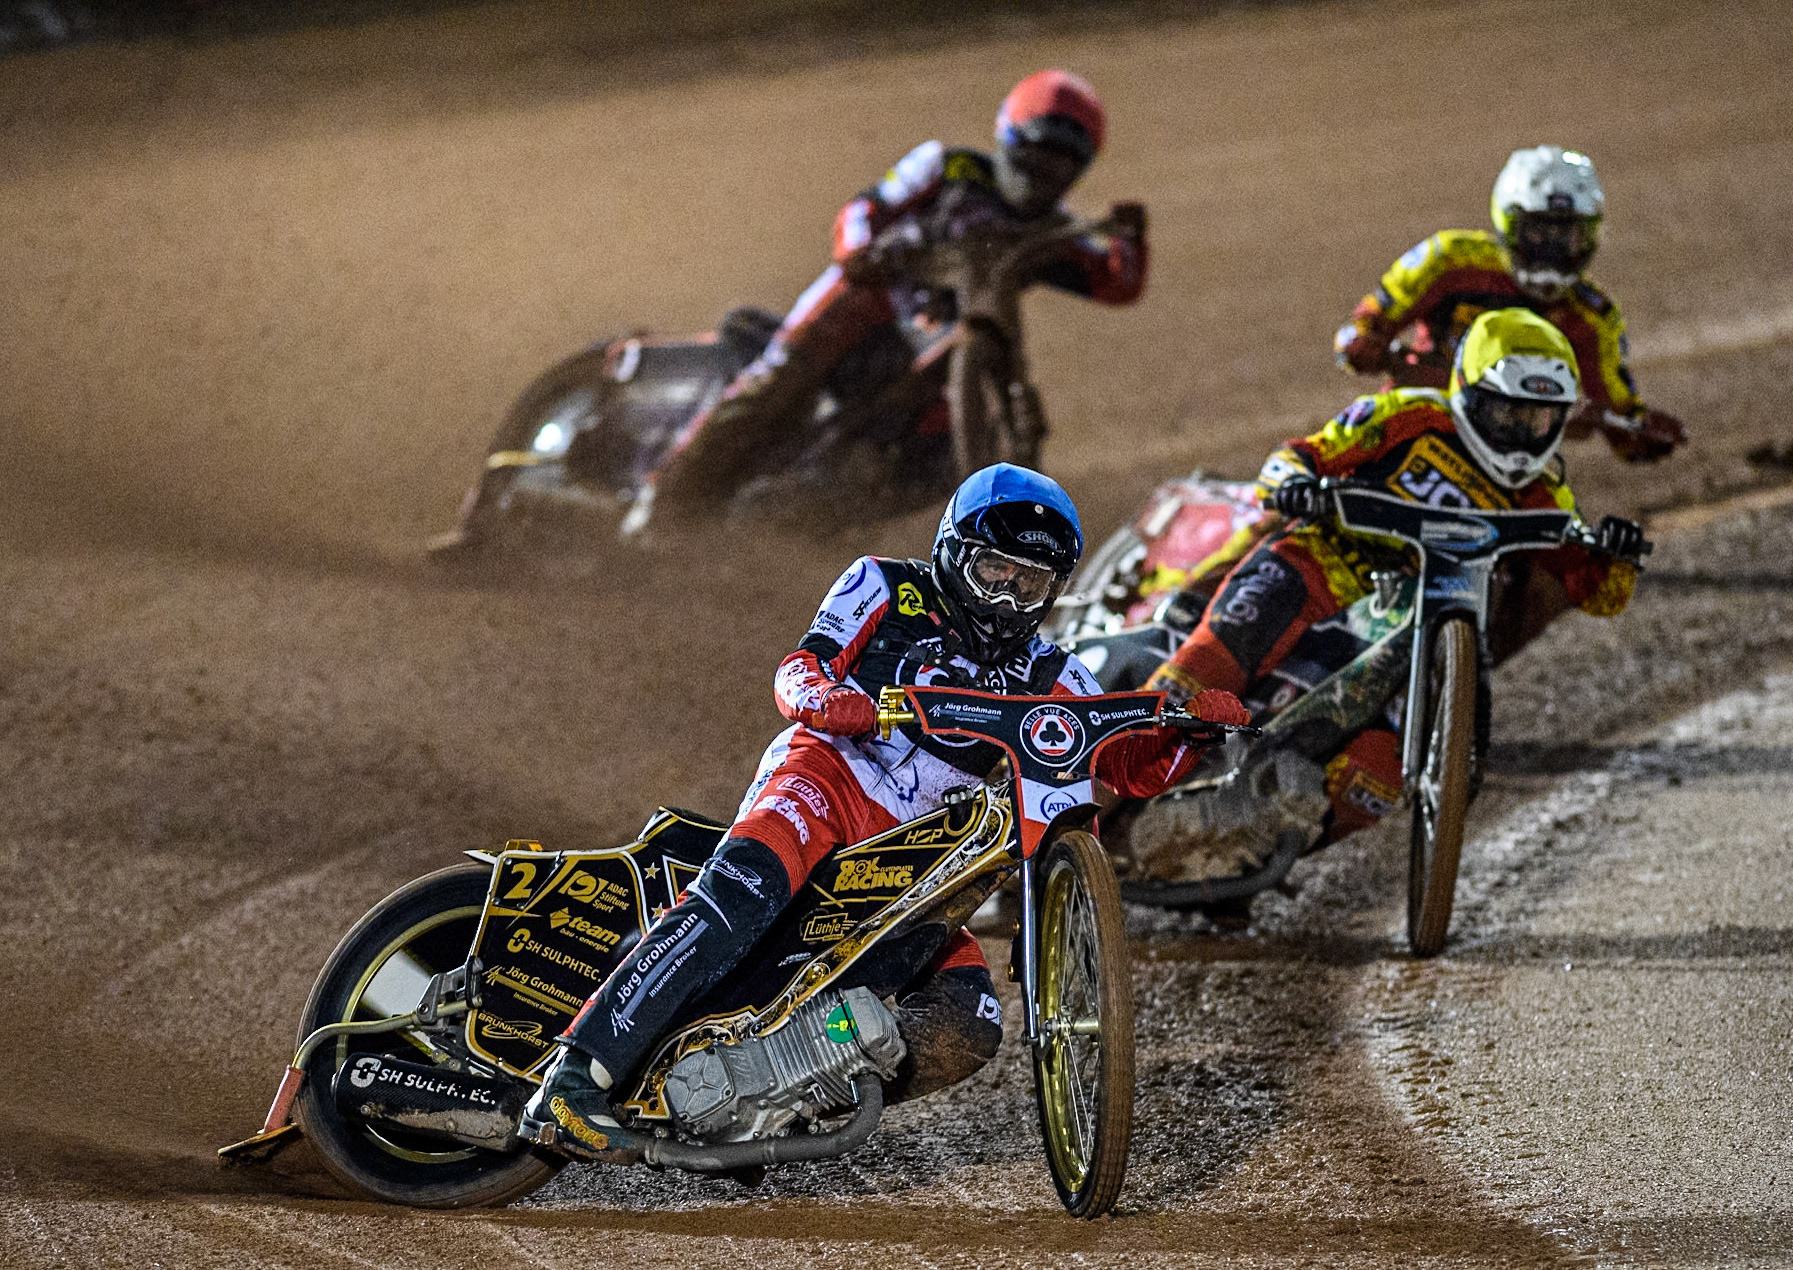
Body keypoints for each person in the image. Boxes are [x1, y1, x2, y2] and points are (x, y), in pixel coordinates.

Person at [523, 464, 1246, 1157]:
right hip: (827, 777)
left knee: (970, 1022)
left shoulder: (1056, 671)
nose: (1005, 598)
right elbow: (801, 667)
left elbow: (1126, 763)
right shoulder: (883, 583)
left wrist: (1192, 736)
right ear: (952, 551)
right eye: (993, 570)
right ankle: (573, 1076)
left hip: (921, 853)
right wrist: (827, 702)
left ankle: (769, 1097)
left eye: (1029, 585)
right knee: (739, 898)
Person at [1145, 309, 1647, 846]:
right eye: (1509, 415)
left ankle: (1249, 858)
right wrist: (1294, 481)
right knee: (1211, 662)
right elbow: (1300, 455)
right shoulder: (1406, 416)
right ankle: (1089, 797)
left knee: (1372, 780)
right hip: (1318, 568)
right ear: (1471, 396)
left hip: (1410, 628)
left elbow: (1598, 594)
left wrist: (1615, 558)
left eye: (1540, 420)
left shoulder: (1546, 492)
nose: (1522, 437)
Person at [652, 69, 1148, 506]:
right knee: (776, 385)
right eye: (1038, 148)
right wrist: (860, 251)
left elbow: (1116, 285)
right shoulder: (946, 167)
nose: (1046, 169)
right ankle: (661, 493)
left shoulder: (1054, 231)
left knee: (927, 445)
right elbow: (863, 208)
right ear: (1009, 135)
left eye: (1064, 159)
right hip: (869, 300)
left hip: (941, 336)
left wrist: (1131, 239)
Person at [1333, 145, 1686, 464]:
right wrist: (1360, 343)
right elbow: (1364, 324)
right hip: (1409, 423)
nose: (1551, 251)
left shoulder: (1594, 319)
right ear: (1507, 224)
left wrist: (1642, 435)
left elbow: (1621, 415)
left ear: (1590, 237)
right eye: (1538, 233)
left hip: (1504, 463)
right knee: (1311, 481)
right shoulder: (1449, 261)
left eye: (1566, 236)